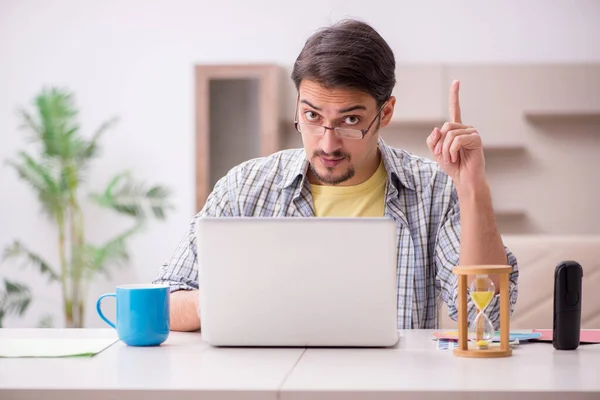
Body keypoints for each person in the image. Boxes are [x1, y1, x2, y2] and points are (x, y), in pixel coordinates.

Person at [153, 19, 519, 332]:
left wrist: (473, 187)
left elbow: (485, 319)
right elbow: (165, 299)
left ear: (386, 112)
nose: (327, 144)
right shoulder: (245, 187)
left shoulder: (435, 190)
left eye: (350, 120)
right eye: (312, 116)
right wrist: (217, 302)